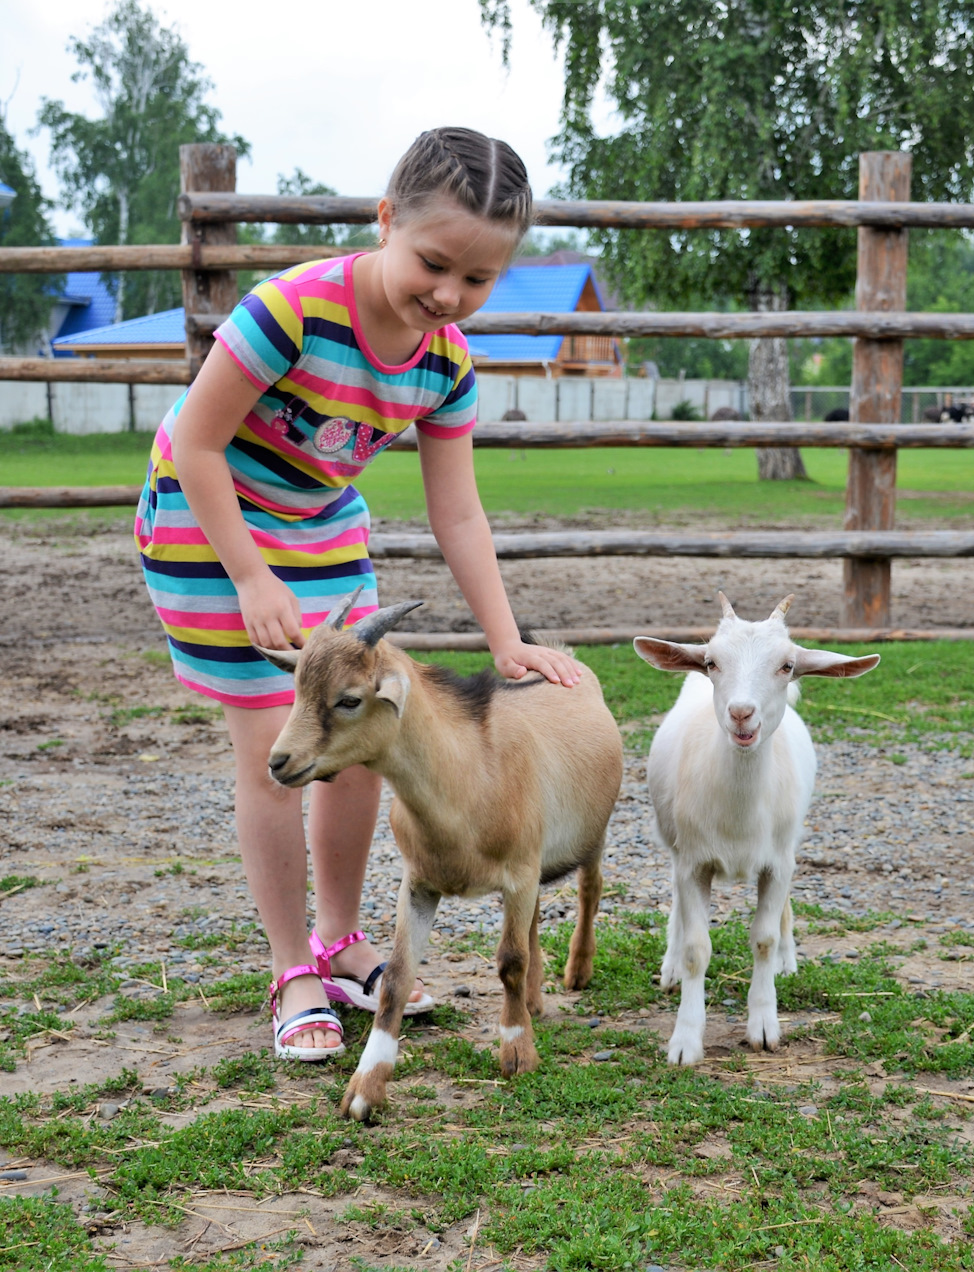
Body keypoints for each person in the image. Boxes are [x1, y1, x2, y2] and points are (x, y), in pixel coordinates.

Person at [134, 128, 582, 1062]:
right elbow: (196, 446)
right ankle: (292, 964)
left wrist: (506, 642)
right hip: (207, 516)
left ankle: (342, 942)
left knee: (362, 723)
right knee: (276, 732)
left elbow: (457, 515)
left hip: (320, 519)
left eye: (478, 280)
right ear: (385, 221)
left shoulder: (445, 362)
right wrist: (251, 576)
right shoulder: (289, 313)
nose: (449, 296)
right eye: (431, 263)